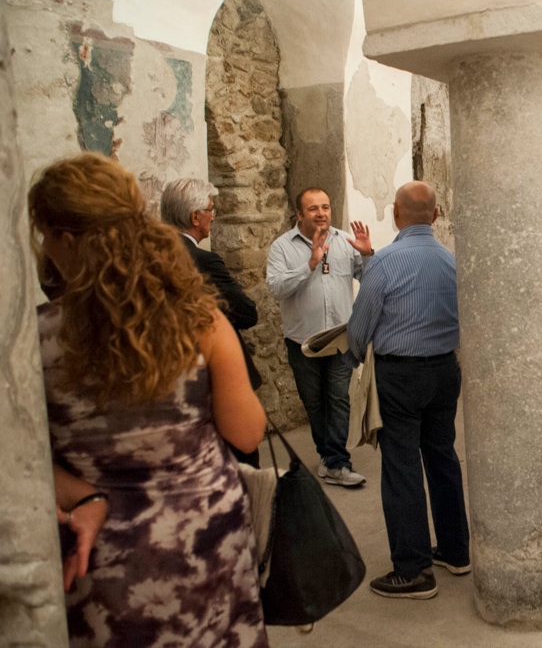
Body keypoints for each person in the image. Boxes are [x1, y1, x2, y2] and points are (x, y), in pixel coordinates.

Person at [30, 153, 268, 645]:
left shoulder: (35, 340)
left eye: (45, 234)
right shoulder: (202, 322)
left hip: (102, 546)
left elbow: (19, 454)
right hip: (206, 533)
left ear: (67, 241)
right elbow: (247, 432)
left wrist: (83, 491)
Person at [346, 181, 469, 600]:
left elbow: (359, 329)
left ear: (396, 215)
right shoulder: (453, 262)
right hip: (444, 372)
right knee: (442, 457)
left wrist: (353, 357)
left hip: (399, 377)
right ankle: (455, 550)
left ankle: (413, 570)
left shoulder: (384, 262)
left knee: (401, 468)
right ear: (435, 216)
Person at [266, 187, 374, 487]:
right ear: (299, 214)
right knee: (314, 403)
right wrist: (310, 264)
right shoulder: (282, 247)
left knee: (338, 399)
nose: (321, 213)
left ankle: (337, 462)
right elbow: (276, 288)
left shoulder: (345, 241)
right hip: (303, 341)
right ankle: (329, 457)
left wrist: (366, 256)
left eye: (325, 207)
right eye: (313, 209)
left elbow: (368, 280)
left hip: (340, 337)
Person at [161, 176, 262, 466]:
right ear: (195, 217)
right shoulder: (202, 260)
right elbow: (245, 313)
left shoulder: (146, 256)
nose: (213, 217)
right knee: (241, 459)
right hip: (211, 371)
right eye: (211, 210)